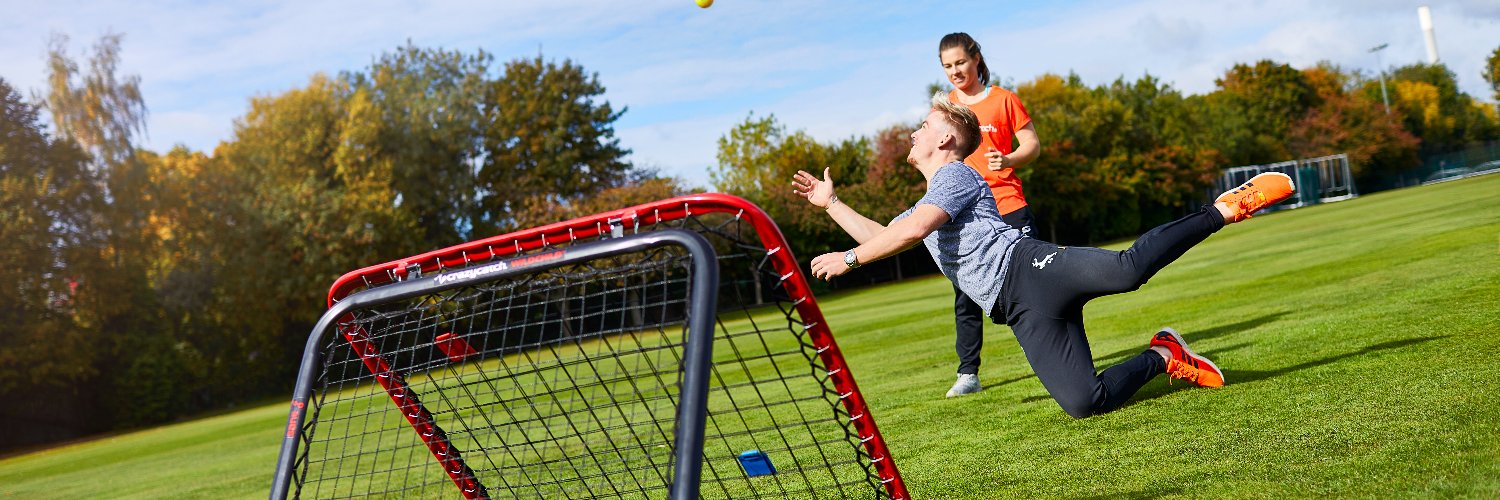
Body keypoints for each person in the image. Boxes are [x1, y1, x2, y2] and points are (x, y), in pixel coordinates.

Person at [790, 94, 1294, 419]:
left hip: (1029, 268)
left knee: (1128, 270)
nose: (913, 132)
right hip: (1018, 309)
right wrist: (832, 204)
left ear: (944, 138)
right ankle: (1165, 355)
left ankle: (1224, 209)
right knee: (1084, 402)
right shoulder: (924, 203)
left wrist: (849, 259)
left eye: (922, 125)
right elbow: (888, 234)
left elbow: (911, 231)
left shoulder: (956, 176)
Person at [937, 32, 1043, 398]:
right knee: (965, 295)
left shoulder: (1005, 100)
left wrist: (1009, 158)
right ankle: (968, 373)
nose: (955, 71)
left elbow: (1032, 145)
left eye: (960, 63)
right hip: (966, 215)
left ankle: (1051, 354)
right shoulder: (945, 108)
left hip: (1009, 206)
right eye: (947, 66)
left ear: (976, 59)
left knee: (1033, 284)